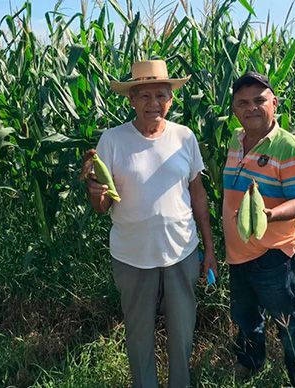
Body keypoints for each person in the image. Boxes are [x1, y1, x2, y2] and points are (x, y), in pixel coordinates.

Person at [83, 59, 217, 388]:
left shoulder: (185, 137)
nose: (153, 103)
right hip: (132, 256)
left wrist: (209, 249)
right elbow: (102, 205)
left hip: (182, 251)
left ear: (171, 99)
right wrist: (93, 190)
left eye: (161, 95)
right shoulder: (112, 140)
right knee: (139, 334)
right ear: (131, 99)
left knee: (182, 331)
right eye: (144, 96)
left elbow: (198, 195)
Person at [222, 71, 295, 387]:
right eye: (243, 103)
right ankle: (250, 364)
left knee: (288, 322)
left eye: (259, 100)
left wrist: (270, 214)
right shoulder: (234, 141)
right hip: (237, 253)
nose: (251, 108)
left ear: (274, 103)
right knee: (246, 318)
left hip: (274, 253)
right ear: (235, 108)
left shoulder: (289, 147)